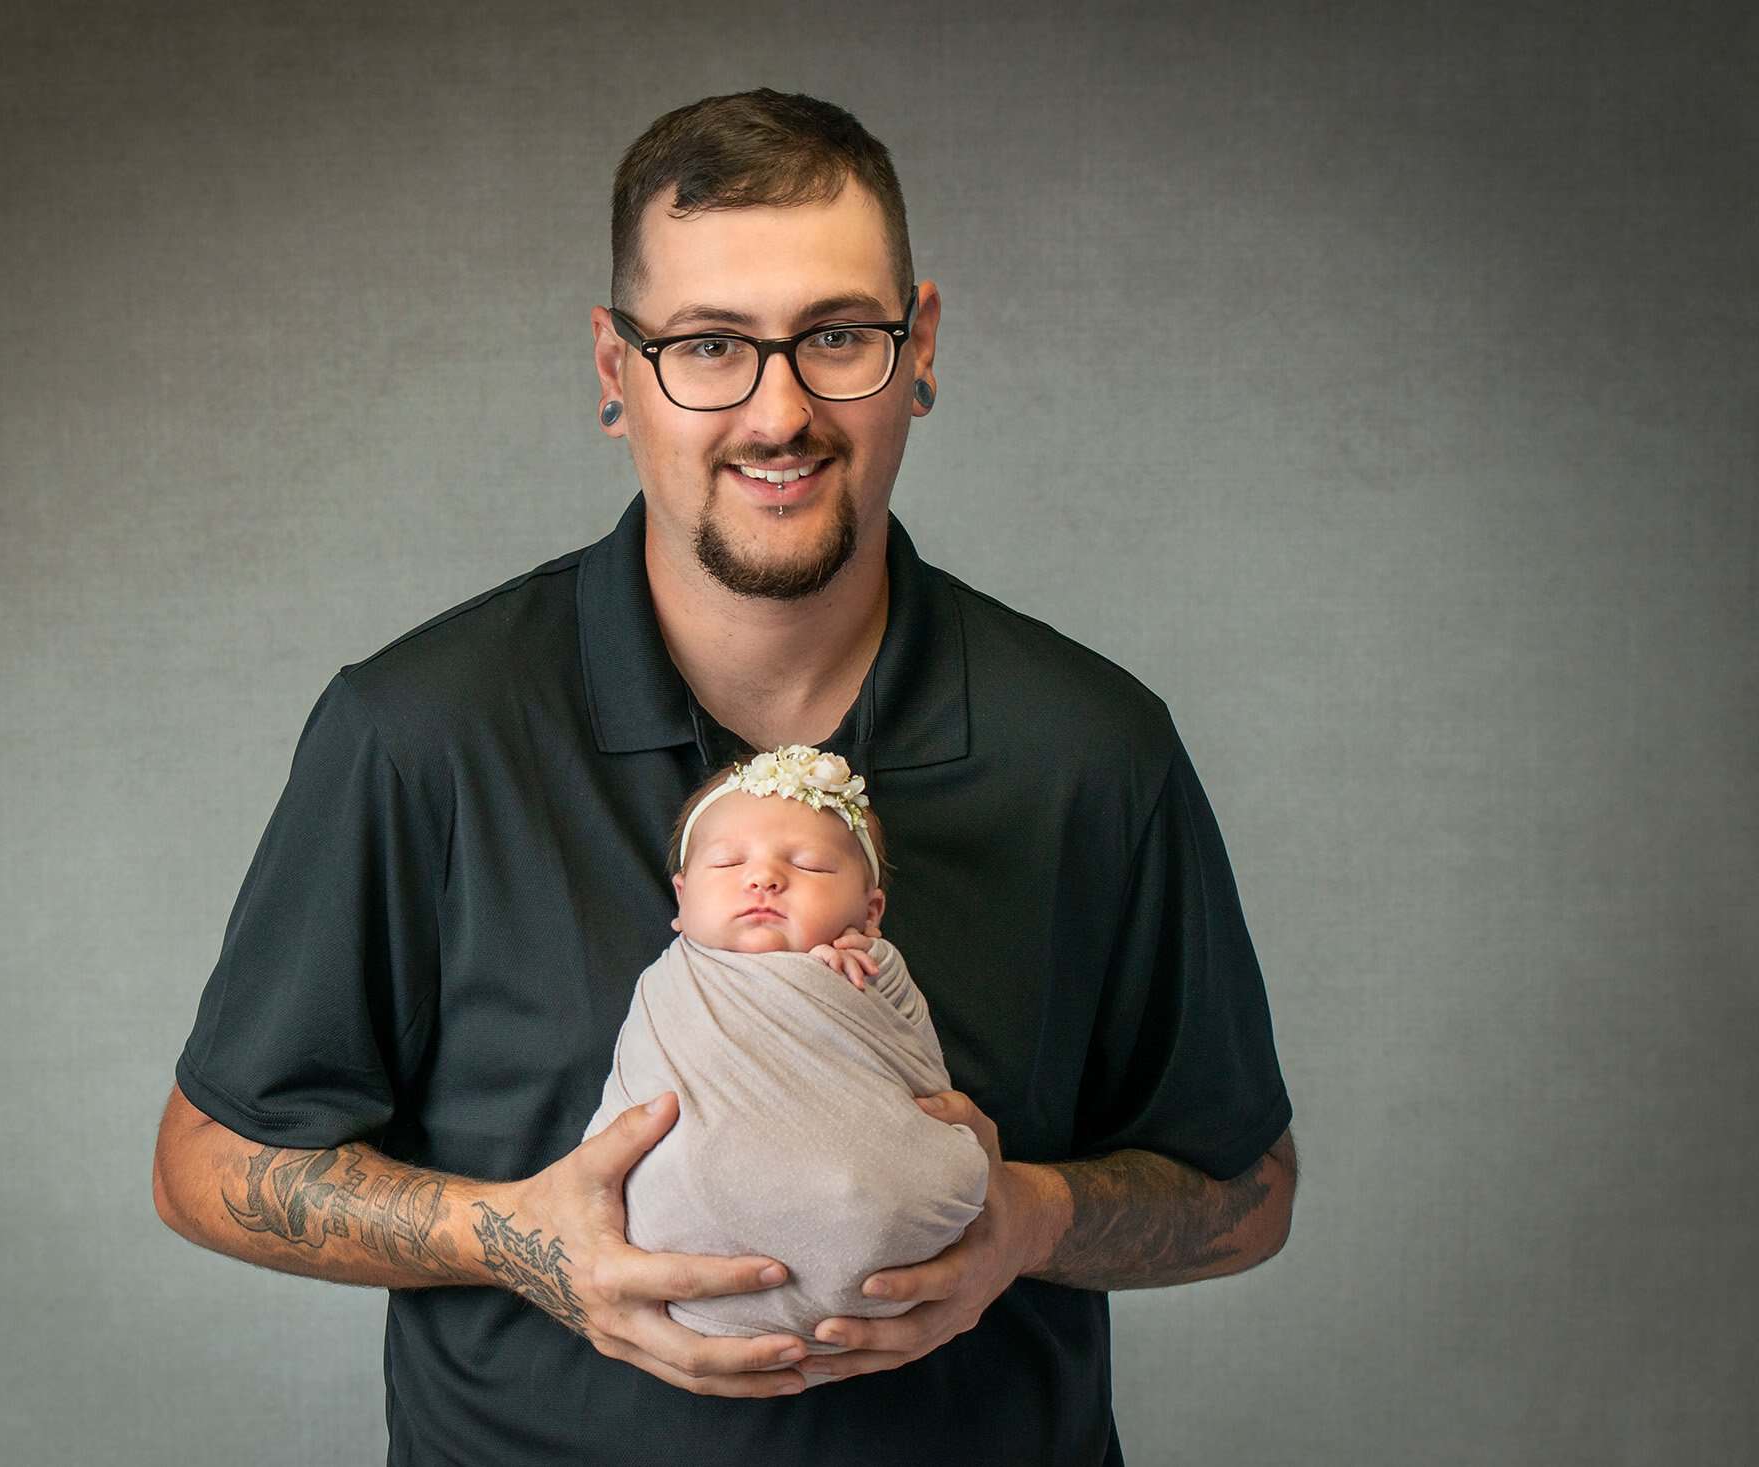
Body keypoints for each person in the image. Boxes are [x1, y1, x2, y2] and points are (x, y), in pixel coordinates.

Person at [152, 87, 1296, 1467]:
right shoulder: (420, 729)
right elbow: (207, 1161)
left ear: (919, 346)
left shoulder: (1093, 747)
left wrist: (1033, 1216)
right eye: (707, 344)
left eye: (838, 337)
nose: (781, 410)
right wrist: (515, 1238)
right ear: (612, 367)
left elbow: (1246, 1188)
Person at [584, 746, 990, 1359]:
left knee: (895, 1181)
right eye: (727, 863)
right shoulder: (666, 985)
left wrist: (852, 981)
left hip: (864, 1196)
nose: (764, 878)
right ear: (681, 897)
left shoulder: (865, 965)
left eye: (810, 867)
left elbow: (904, 1051)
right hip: (678, 1210)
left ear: (871, 912)